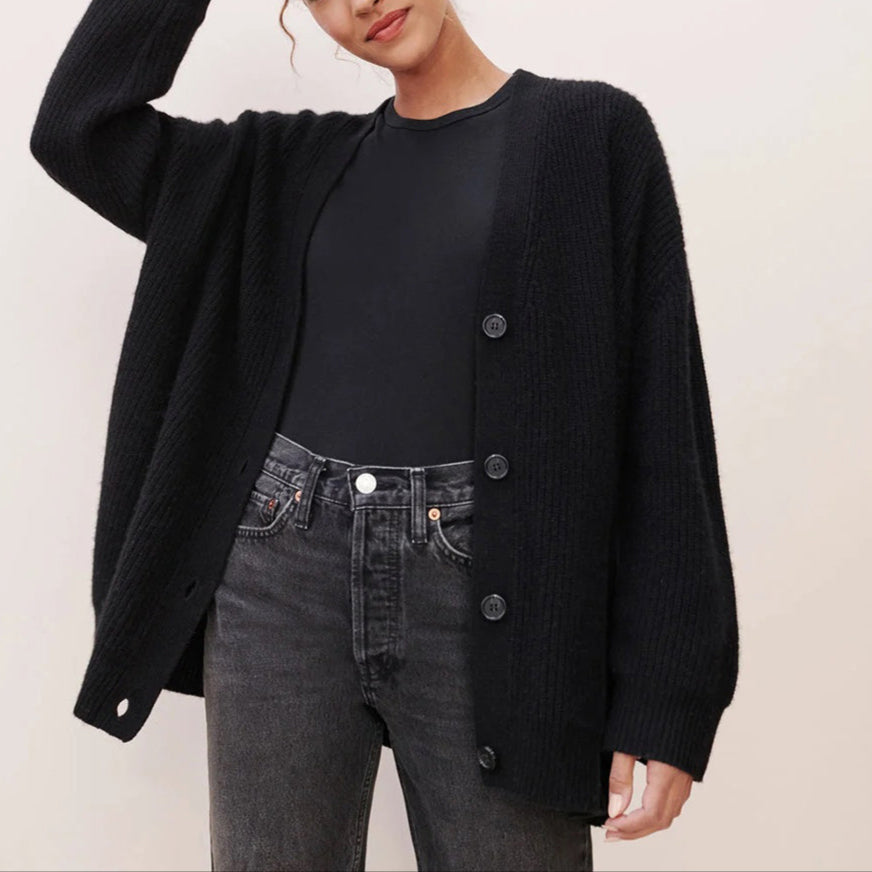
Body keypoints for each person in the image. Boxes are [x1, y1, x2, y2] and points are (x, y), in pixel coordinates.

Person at [29, 1, 740, 870]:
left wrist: (670, 695)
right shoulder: (270, 168)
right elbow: (78, 130)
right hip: (278, 578)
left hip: (498, 595)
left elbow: (663, 417)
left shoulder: (589, 134)